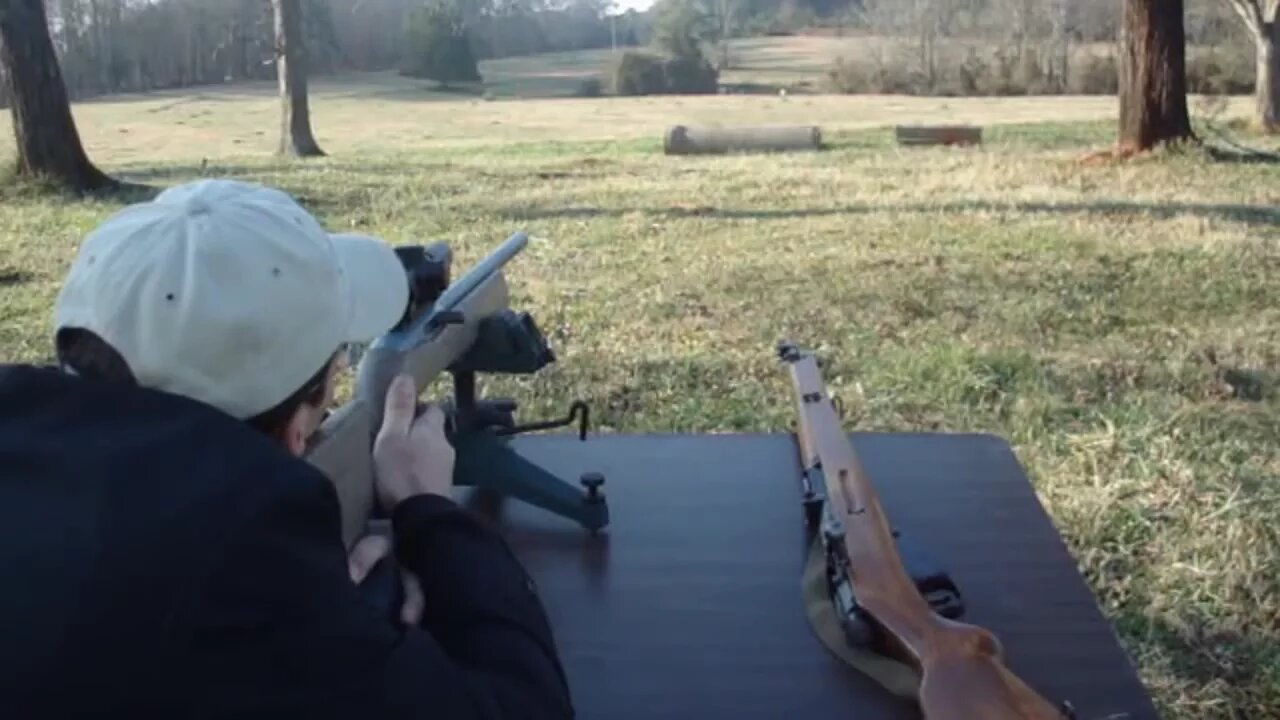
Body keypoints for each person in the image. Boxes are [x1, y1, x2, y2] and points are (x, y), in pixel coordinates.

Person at [0, 179, 575, 719]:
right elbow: (525, 705)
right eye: (337, 371)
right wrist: (430, 513)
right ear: (298, 431)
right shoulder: (251, 550)